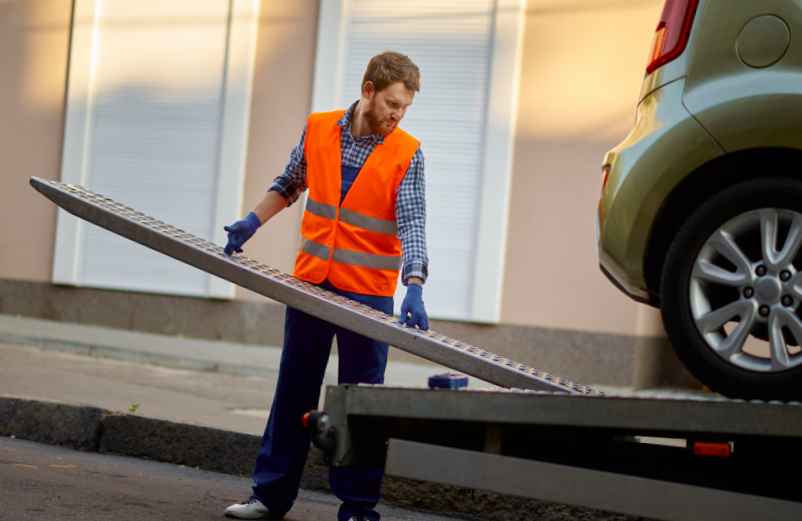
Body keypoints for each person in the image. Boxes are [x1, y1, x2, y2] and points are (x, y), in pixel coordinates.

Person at [222, 51, 429, 521]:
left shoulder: (407, 152)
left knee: (362, 403)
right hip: (312, 284)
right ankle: (269, 496)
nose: (398, 115)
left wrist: (414, 283)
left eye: (405, 108)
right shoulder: (319, 129)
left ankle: (357, 508)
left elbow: (413, 222)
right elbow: (290, 183)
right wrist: (251, 222)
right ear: (369, 91)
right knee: (293, 390)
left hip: (368, 294)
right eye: (393, 104)